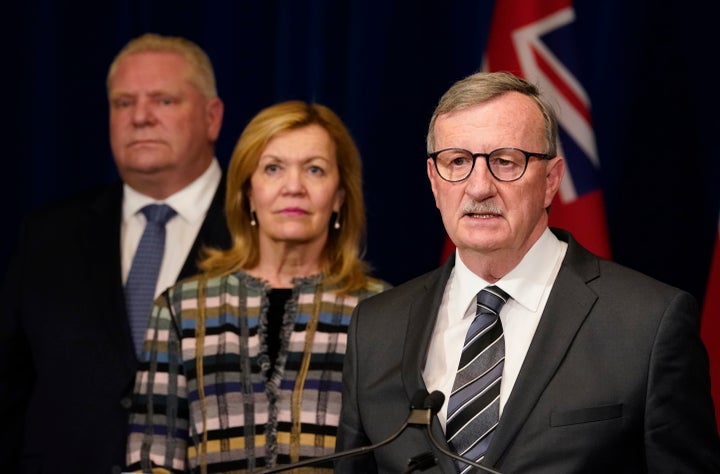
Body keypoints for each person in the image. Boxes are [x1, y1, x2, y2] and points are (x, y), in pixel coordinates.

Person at [335, 71, 720, 473]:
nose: (479, 186)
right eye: (458, 162)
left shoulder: (648, 323)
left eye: (505, 161)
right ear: (434, 182)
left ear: (551, 180)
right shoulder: (375, 329)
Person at [0, 33, 231, 474]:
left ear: (212, 117)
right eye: (124, 103)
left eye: (164, 100)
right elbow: (9, 389)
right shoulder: (48, 234)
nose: (140, 117)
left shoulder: (260, 230)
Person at [124, 100, 392, 473]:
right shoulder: (181, 308)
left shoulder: (382, 310)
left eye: (314, 169)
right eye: (273, 168)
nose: (293, 187)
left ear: (340, 197)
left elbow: (393, 458)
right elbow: (151, 459)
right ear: (249, 192)